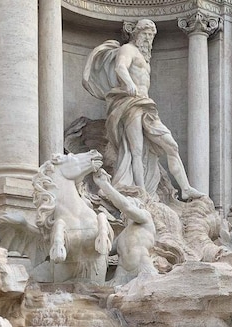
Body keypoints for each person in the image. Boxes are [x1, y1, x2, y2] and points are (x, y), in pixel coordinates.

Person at [83, 19, 202, 202]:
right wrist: (129, 83)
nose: (148, 39)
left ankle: (185, 188)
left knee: (171, 145)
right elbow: (120, 66)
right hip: (131, 103)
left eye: (151, 36)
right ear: (136, 34)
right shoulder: (128, 49)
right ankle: (141, 191)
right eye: (145, 34)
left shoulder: (144, 56)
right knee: (136, 150)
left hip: (146, 105)